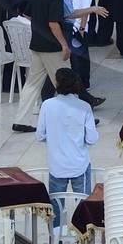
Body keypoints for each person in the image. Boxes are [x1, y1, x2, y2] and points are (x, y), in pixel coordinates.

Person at [11, 0, 71, 132]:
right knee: (65, 82)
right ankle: (72, 118)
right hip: (51, 47)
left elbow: (27, 14)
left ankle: (20, 120)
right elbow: (54, 23)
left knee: (31, 84)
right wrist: (64, 45)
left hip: (37, 44)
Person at [36, 67, 97, 204]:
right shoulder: (84, 106)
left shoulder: (47, 105)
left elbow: (40, 135)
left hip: (57, 165)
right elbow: (92, 138)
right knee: (83, 206)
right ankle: (82, 226)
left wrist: (55, 138)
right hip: (79, 165)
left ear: (57, 83)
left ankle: (58, 227)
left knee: (56, 208)